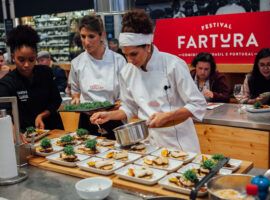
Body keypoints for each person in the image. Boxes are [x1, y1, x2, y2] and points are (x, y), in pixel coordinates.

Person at [90, 9, 206, 153]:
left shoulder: (173, 65)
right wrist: (110, 115)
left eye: (134, 54)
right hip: (148, 143)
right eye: (125, 55)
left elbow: (198, 104)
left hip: (180, 143)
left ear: (148, 46)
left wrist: (167, 116)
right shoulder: (127, 72)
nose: (129, 60)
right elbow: (129, 108)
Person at [68, 15, 126, 139]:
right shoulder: (77, 63)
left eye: (91, 36)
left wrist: (120, 102)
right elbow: (75, 92)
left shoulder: (118, 61)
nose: (86, 42)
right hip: (86, 121)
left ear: (102, 35)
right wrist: (76, 100)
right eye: (83, 36)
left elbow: (126, 96)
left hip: (112, 119)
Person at [0, 25, 63, 132]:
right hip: (26, 135)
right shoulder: (7, 83)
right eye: (21, 59)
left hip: (53, 130)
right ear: (13, 57)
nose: (26, 65)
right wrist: (14, 133)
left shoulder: (45, 72)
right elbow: (5, 115)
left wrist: (42, 115)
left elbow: (56, 101)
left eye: (31, 59)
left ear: (36, 56)